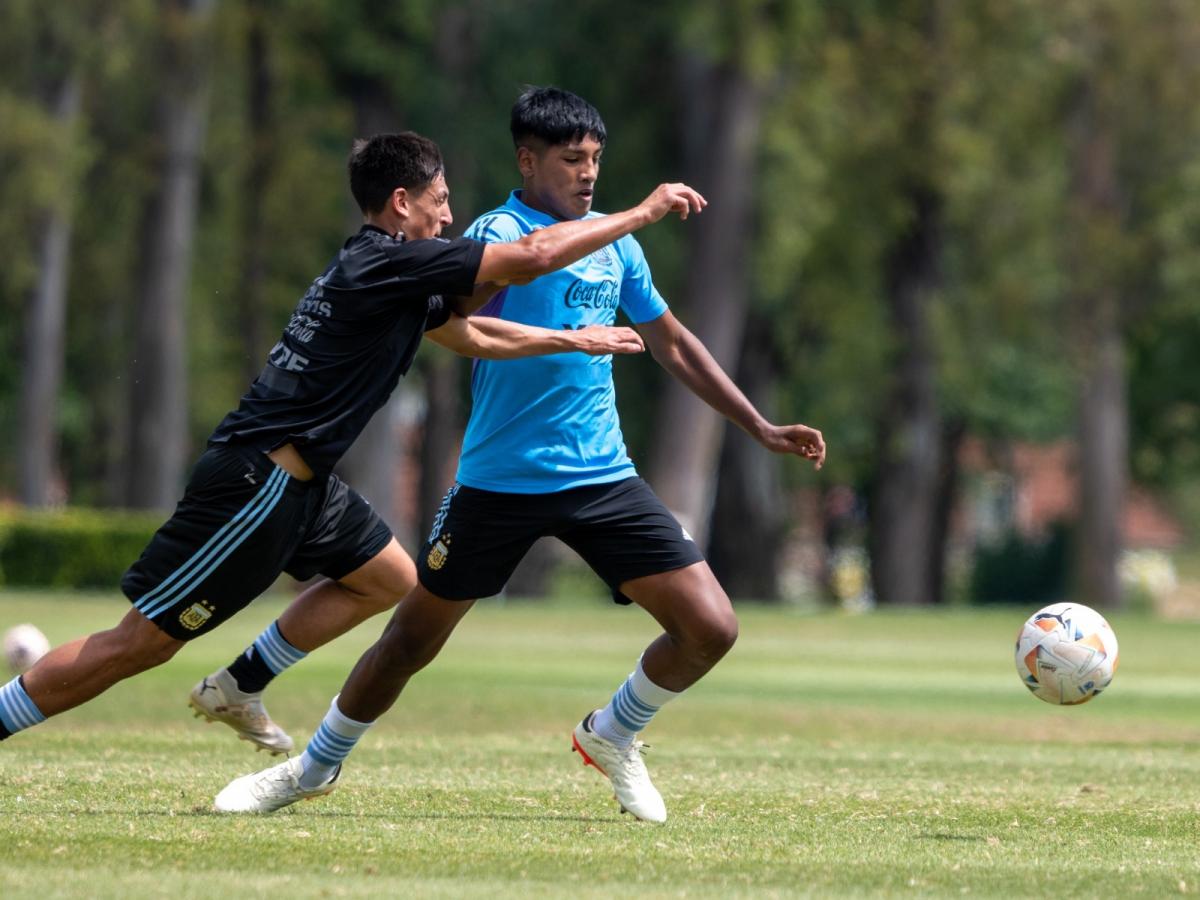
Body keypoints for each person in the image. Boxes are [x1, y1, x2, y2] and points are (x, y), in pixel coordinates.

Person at [213, 87, 822, 822]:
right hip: (497, 482)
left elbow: (672, 343)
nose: (588, 174)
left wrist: (758, 425)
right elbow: (446, 325)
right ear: (528, 161)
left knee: (710, 628)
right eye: (572, 160)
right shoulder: (496, 234)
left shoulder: (614, 242)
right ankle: (311, 769)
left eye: (595, 159)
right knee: (409, 641)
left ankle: (613, 733)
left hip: (602, 476)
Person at [0, 130, 706, 753]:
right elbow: (525, 257)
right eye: (440, 200)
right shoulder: (389, 262)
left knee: (388, 578)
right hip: (259, 483)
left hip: (305, 484)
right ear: (401, 203)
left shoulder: (396, 271)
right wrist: (639, 215)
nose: (451, 216)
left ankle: (241, 684)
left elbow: (470, 331)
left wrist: (570, 338)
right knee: (140, 643)